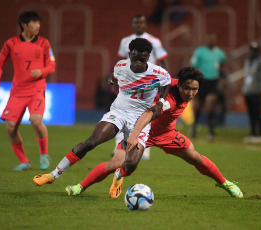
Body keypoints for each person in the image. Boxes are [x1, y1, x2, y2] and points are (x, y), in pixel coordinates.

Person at [50, 66, 243, 199]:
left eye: (195, 90)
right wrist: (134, 135)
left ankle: (225, 183)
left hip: (167, 134)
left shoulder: (177, 83)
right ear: (180, 85)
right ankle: (79, 187)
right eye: (187, 89)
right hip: (142, 130)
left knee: (196, 157)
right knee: (116, 162)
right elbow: (149, 113)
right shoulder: (170, 101)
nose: (191, 93)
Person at [33, 38, 172, 188]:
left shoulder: (159, 72)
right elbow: (114, 78)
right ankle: (53, 174)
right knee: (92, 141)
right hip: (119, 112)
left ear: (149, 56)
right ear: (129, 54)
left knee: (131, 164)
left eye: (142, 59)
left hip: (141, 119)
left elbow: (167, 83)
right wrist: (111, 82)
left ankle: (118, 176)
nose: (138, 62)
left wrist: (161, 102)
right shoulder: (120, 66)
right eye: (135, 57)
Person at [0, 11, 55, 171]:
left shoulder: (44, 43)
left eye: (39, 23)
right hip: (17, 91)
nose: (38, 26)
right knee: (10, 127)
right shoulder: (11, 43)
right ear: (24, 25)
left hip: (37, 89)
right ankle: (24, 162)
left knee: (36, 121)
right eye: (34, 23)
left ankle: (44, 154)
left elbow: (51, 66)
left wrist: (41, 72)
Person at [116, 14, 169, 160]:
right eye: (136, 22)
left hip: (148, 84)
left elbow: (163, 61)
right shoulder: (125, 41)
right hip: (129, 82)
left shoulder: (154, 41)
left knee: (145, 113)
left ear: (145, 24)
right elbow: (120, 60)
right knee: (121, 112)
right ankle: (119, 146)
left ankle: (143, 148)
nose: (138, 25)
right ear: (132, 24)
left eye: (141, 22)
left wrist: (166, 77)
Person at [190, 32, 227, 140]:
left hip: (213, 82)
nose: (211, 41)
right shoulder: (199, 51)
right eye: (209, 39)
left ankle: (211, 131)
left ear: (215, 40)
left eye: (213, 39)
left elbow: (222, 67)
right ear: (206, 40)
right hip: (202, 81)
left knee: (211, 103)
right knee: (199, 106)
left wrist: (223, 78)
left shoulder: (220, 53)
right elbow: (193, 66)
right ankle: (194, 127)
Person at [242, 42, 261, 143]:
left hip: (256, 91)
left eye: (254, 50)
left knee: (258, 113)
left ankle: (260, 134)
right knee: (251, 113)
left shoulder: (260, 62)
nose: (252, 52)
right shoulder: (247, 61)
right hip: (248, 91)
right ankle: (252, 133)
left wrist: (260, 89)